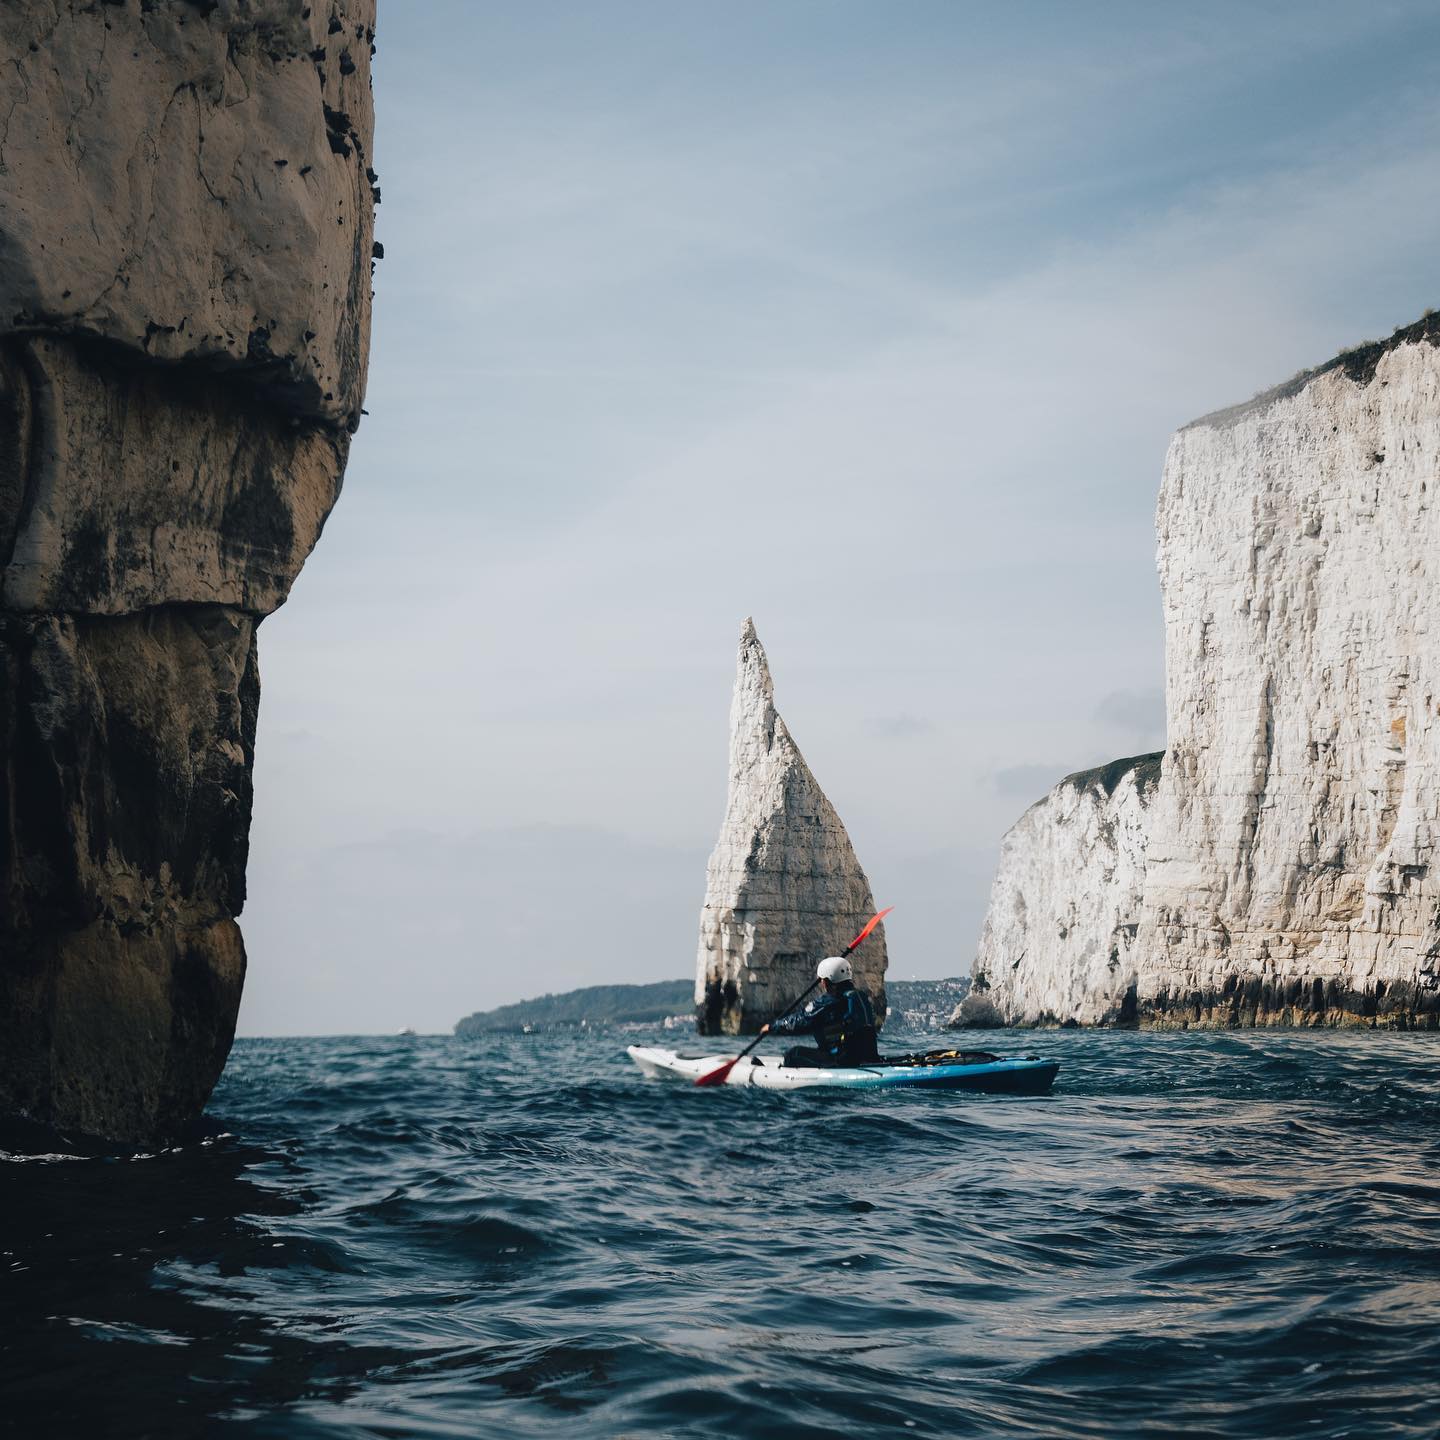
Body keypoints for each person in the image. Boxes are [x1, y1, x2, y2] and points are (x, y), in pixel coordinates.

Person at [761, 956, 879, 1067]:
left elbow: (802, 1021)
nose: (821, 982)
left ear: (825, 981)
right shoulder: (860, 996)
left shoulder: (829, 1001)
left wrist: (773, 1027)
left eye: (822, 979)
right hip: (867, 1058)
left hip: (840, 1060)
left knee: (793, 1054)